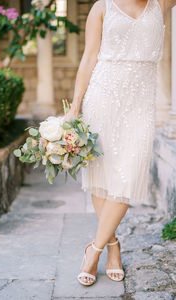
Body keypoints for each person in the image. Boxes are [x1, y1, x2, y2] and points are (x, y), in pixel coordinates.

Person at [63, 0, 176, 286]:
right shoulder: (103, 7)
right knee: (102, 176)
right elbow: (89, 58)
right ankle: (113, 246)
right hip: (103, 98)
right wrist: (75, 107)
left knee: (127, 176)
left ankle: (94, 250)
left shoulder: (161, 3)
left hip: (140, 103)